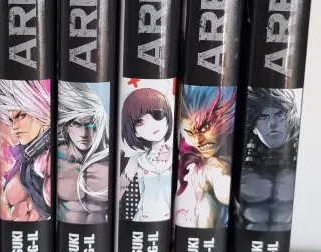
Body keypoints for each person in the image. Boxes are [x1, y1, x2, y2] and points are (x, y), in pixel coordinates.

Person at [237, 87, 301, 231]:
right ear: (254, 127)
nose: (272, 123)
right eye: (263, 117)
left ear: (290, 118)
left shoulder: (304, 150)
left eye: (280, 114)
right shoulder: (239, 156)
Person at [174, 85, 236, 228]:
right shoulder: (188, 155)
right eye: (190, 133)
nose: (198, 141)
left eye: (204, 128)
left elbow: (224, 191)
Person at [0, 79, 51, 222]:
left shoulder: (51, 154)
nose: (14, 126)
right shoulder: (26, 152)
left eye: (21, 116)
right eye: (11, 120)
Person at [57, 82, 109, 224]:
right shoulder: (55, 157)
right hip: (65, 232)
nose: (84, 133)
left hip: (103, 233)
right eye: (76, 124)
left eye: (90, 125)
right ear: (66, 126)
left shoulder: (112, 157)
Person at [120, 86, 173, 222]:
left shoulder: (179, 157)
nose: (152, 125)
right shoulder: (136, 160)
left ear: (167, 117)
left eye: (157, 114)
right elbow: (118, 192)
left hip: (169, 220)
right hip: (142, 219)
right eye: (140, 121)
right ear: (135, 131)